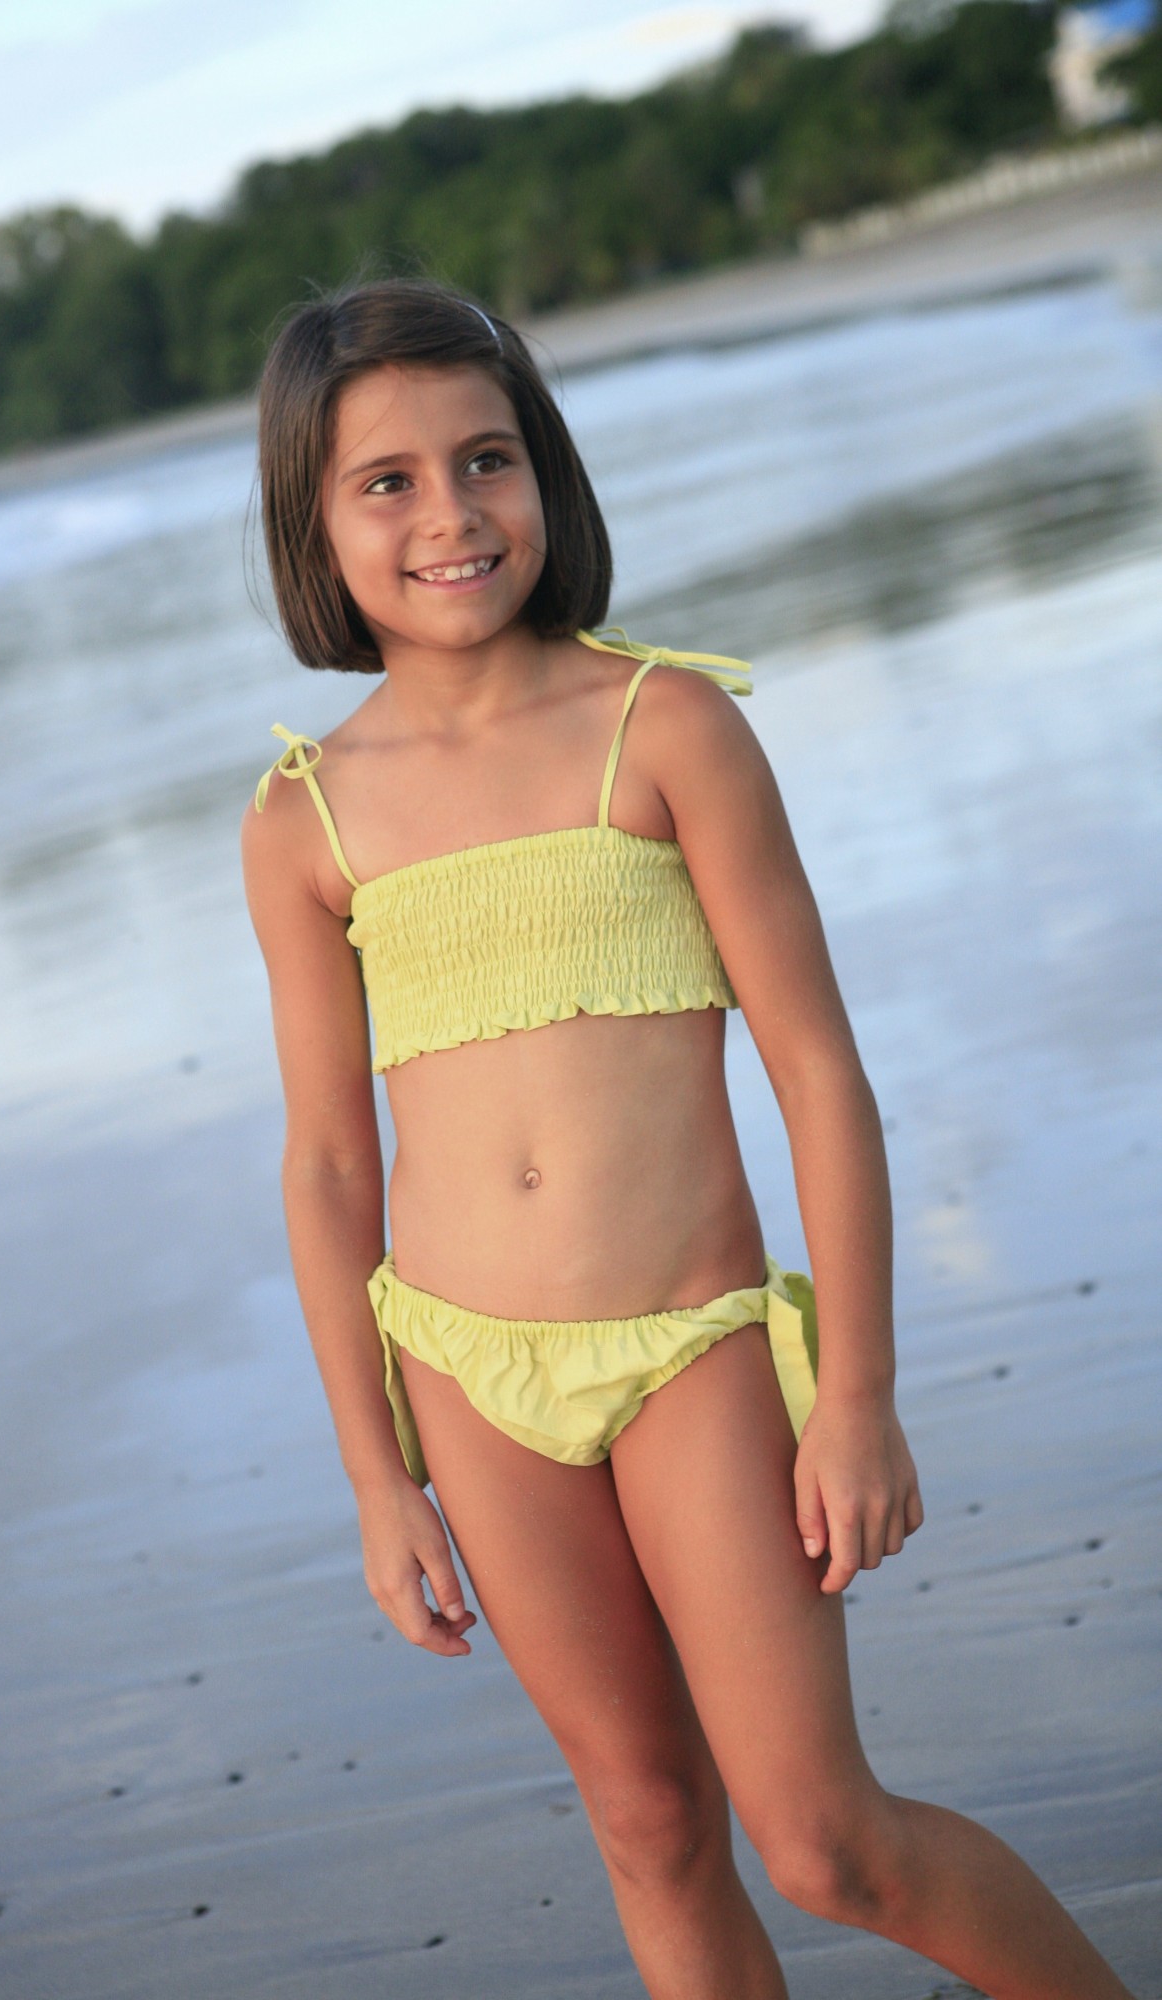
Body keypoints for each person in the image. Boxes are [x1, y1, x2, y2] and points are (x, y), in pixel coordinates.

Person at [240, 276, 1133, 2000]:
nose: (450, 514)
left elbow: (816, 1070)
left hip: (690, 1357)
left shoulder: (664, 728)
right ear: (312, 523)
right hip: (467, 1379)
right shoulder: (305, 818)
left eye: (485, 460)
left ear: (547, 479)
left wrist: (856, 1391)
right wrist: (375, 1472)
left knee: (820, 1838)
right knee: (646, 1823)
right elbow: (329, 1166)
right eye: (388, 482)